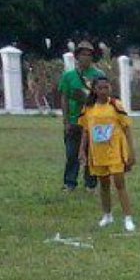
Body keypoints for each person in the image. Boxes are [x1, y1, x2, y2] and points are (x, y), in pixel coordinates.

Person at [78, 77, 136, 231]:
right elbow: (85, 130)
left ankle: (128, 218)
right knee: (103, 185)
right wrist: (82, 150)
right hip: (98, 152)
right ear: (95, 90)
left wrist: (131, 151)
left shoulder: (115, 105)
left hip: (115, 151)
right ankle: (107, 215)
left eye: (106, 87)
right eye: (100, 88)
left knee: (119, 184)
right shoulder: (89, 108)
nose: (104, 91)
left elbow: (126, 128)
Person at [58, 41, 105, 192]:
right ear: (77, 56)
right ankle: (69, 183)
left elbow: (104, 97)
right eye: (83, 54)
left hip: (93, 121)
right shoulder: (68, 76)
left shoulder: (98, 75)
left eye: (89, 54)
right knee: (72, 153)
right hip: (74, 119)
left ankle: (90, 183)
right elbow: (64, 98)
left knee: (92, 152)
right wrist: (65, 121)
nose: (86, 57)